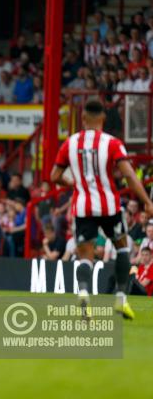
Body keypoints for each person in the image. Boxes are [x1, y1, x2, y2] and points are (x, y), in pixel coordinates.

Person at [50, 99, 153, 320]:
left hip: (82, 207)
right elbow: (129, 176)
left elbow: (55, 177)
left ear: (83, 119)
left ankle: (84, 293)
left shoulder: (69, 143)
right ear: (103, 119)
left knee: (85, 256)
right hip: (109, 206)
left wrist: (76, 183)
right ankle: (121, 300)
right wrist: (147, 201)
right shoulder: (112, 143)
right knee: (123, 249)